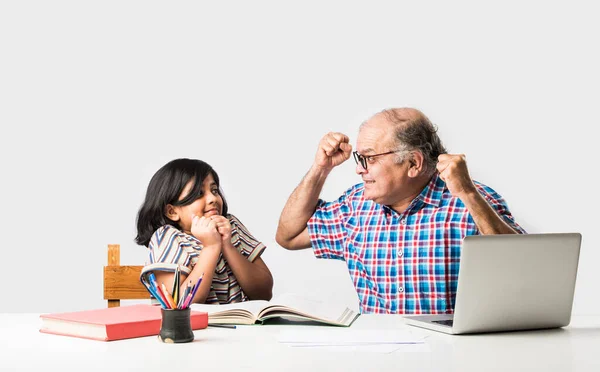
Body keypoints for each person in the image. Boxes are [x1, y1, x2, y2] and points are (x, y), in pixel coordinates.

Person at [276, 108, 525, 314]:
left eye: (370, 158)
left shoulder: (472, 199)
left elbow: (522, 272)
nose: (359, 170)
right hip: (378, 356)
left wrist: (469, 195)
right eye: (359, 159)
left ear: (413, 163)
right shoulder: (355, 206)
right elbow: (288, 236)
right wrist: (321, 168)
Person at [136, 158, 273, 304]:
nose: (212, 198)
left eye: (214, 190)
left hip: (240, 325)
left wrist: (227, 246)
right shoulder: (168, 237)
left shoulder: (231, 226)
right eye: (198, 194)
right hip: (192, 326)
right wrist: (211, 247)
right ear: (172, 212)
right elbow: (178, 305)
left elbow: (264, 293)